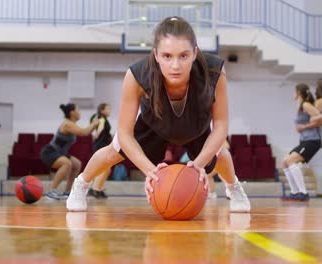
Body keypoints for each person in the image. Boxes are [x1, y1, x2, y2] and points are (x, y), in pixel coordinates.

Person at [66, 16, 250, 212]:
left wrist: (199, 164)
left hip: (195, 125)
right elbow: (125, 132)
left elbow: (221, 125)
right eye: (167, 56)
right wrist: (150, 171)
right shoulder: (137, 75)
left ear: (195, 53)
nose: (175, 65)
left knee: (220, 154)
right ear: (155, 54)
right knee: (113, 151)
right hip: (153, 125)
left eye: (184, 56)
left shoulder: (214, 71)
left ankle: (233, 188)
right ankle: (81, 184)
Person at [40, 103, 99, 200]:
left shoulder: (72, 124)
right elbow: (83, 132)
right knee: (67, 164)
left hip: (59, 152)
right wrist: (94, 123)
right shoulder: (67, 124)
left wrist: (93, 127)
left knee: (77, 164)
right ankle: (51, 191)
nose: (79, 113)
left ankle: (67, 192)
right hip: (50, 151)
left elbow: (86, 132)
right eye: (78, 110)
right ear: (72, 112)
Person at [282, 84, 322, 201]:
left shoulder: (305, 104)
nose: (293, 94)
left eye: (294, 91)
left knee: (290, 160)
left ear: (298, 92)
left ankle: (303, 193)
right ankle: (295, 192)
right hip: (305, 141)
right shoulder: (301, 105)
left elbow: (319, 119)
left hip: (312, 141)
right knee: (285, 161)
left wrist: (305, 127)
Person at [88, 103, 113, 199]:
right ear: (102, 110)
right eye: (107, 109)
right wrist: (96, 134)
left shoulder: (96, 117)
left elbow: (93, 130)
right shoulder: (101, 119)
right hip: (101, 146)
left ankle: (97, 188)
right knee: (105, 168)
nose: (109, 111)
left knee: (106, 169)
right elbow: (98, 130)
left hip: (101, 145)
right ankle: (95, 189)